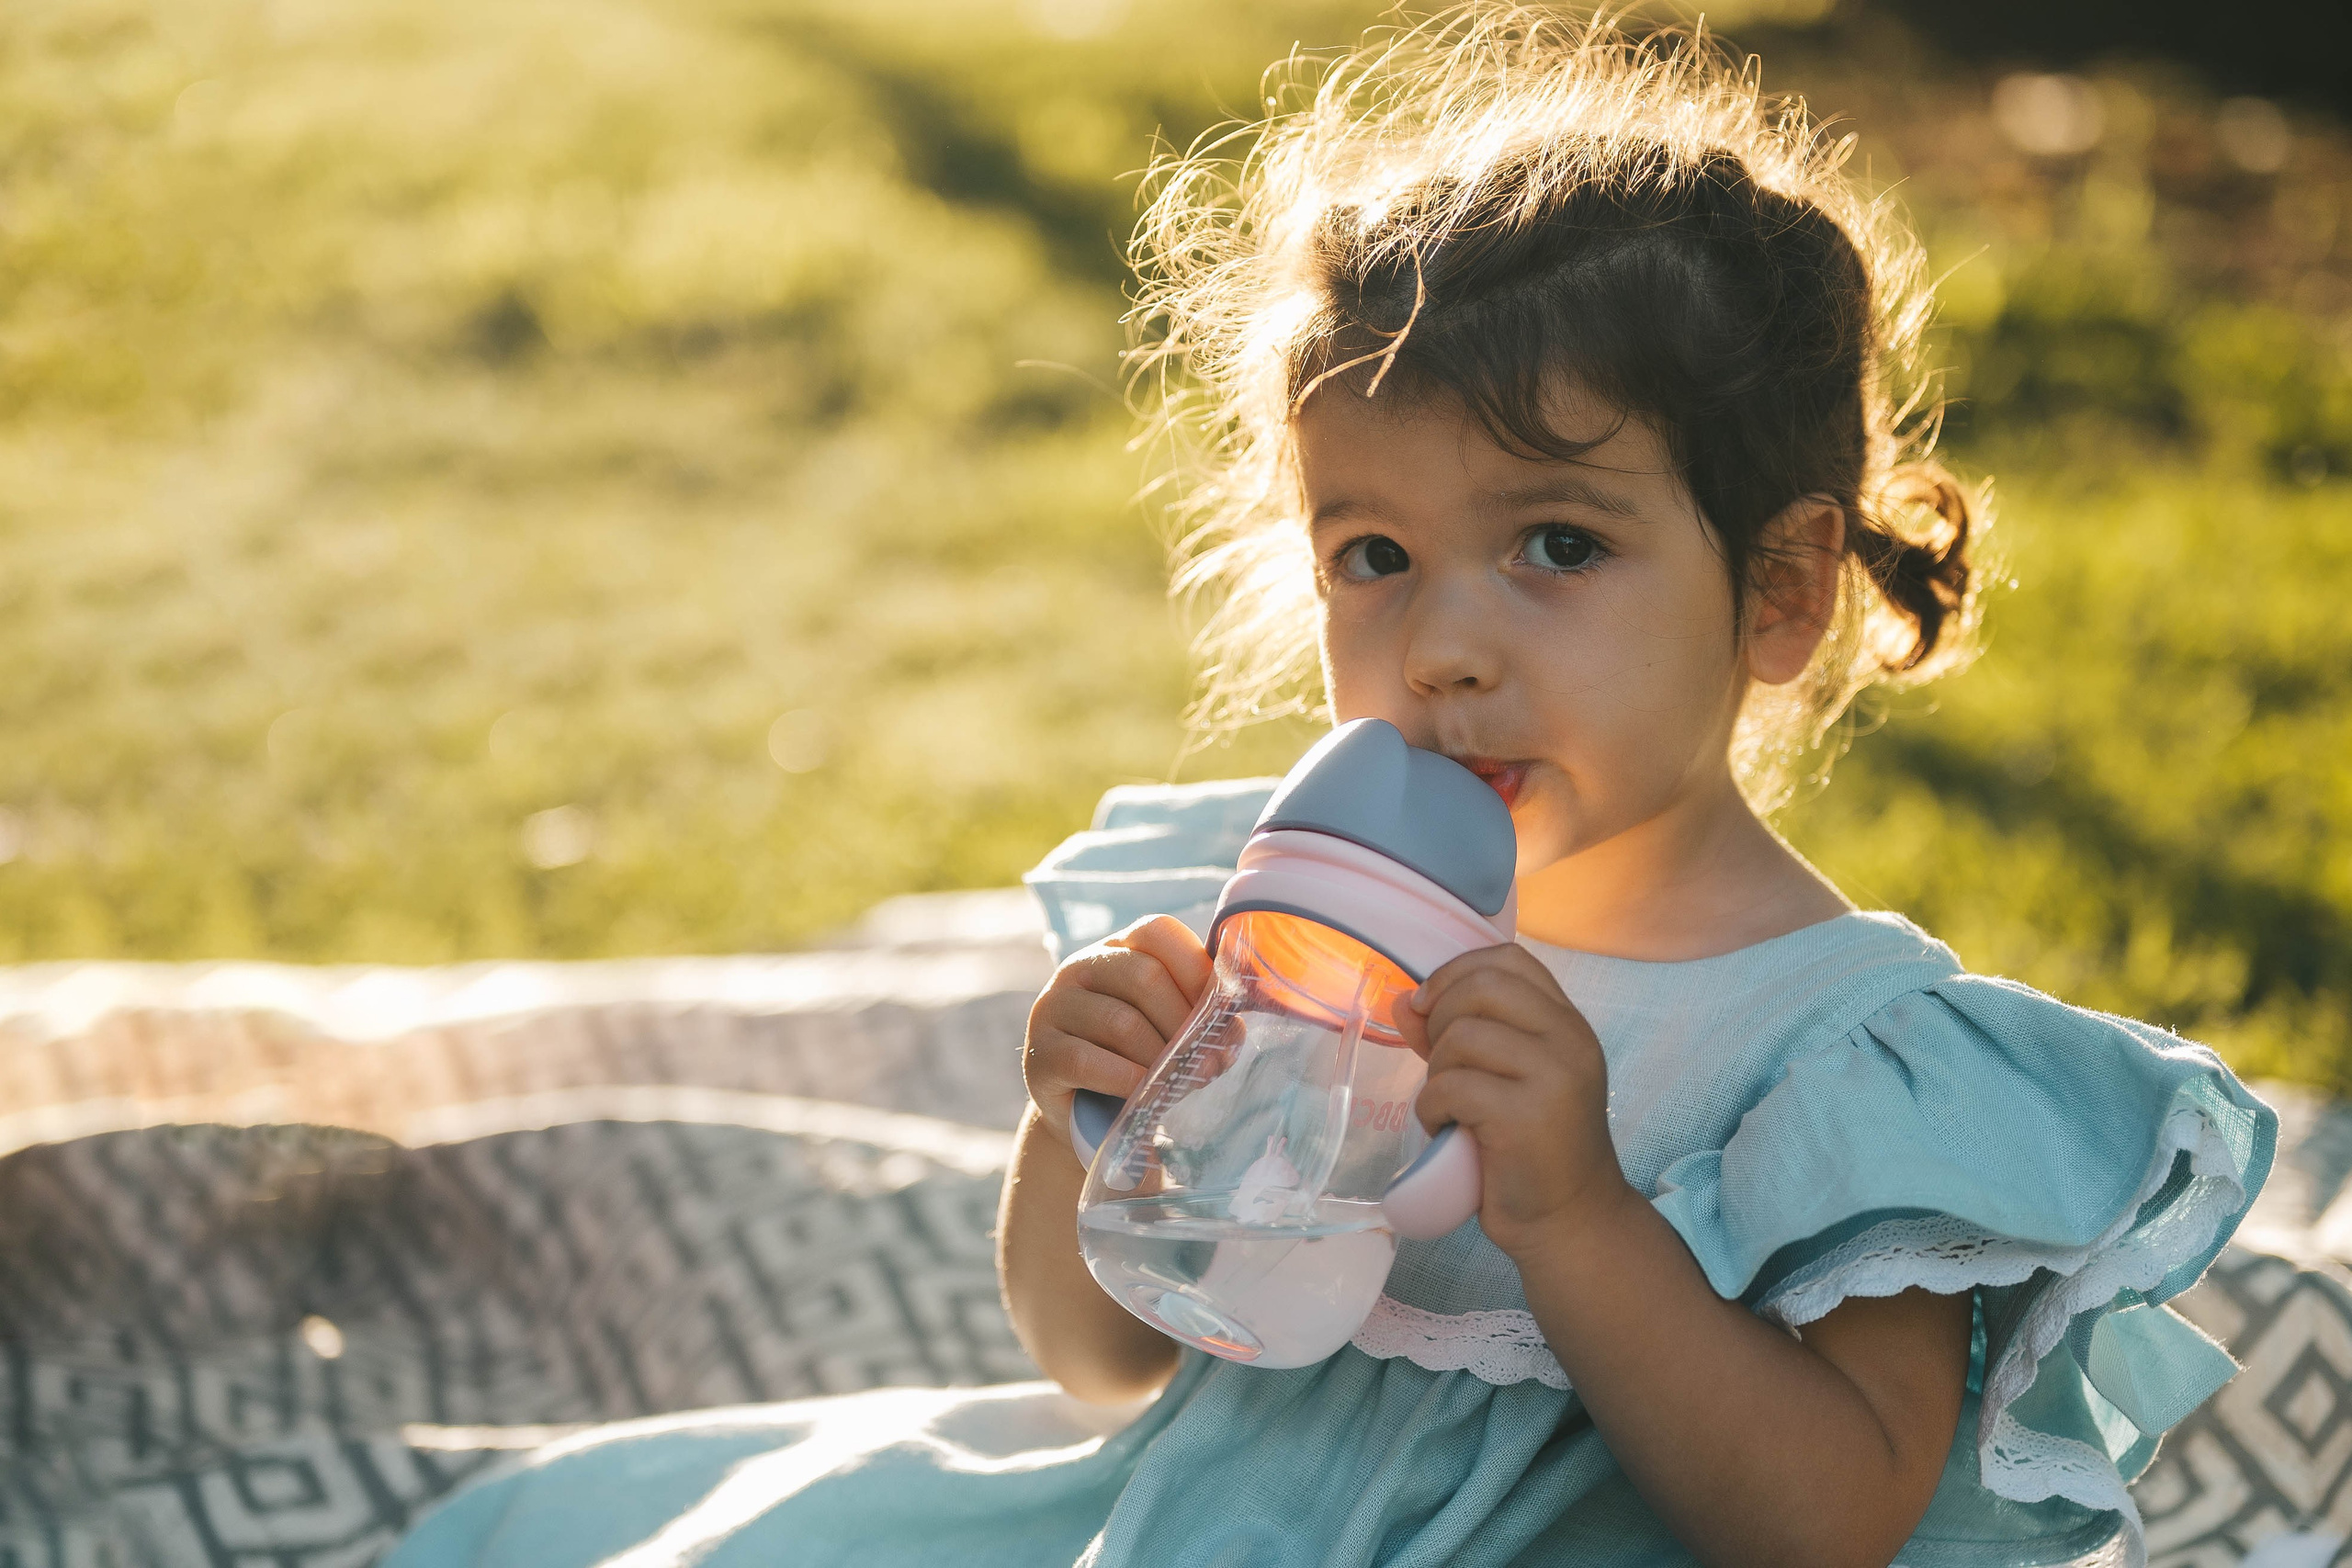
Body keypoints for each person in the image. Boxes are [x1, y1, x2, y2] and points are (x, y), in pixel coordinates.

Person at [386, 9, 2276, 1566]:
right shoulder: (1291, 927)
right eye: (1375, 555)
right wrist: (1089, 1132)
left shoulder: (1851, 1057)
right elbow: (1103, 1357)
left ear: (1777, 591)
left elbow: (1824, 1521)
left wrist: (1578, 1216)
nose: (1440, 645)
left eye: (1555, 543)